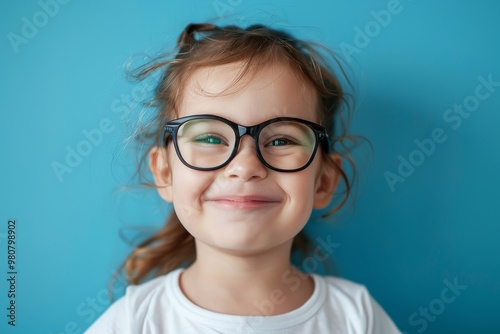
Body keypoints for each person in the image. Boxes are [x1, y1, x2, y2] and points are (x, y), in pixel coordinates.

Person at [86, 22, 400, 333]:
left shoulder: (355, 317)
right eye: (210, 138)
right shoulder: (134, 322)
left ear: (324, 181)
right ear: (165, 172)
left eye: (281, 141)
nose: (245, 165)